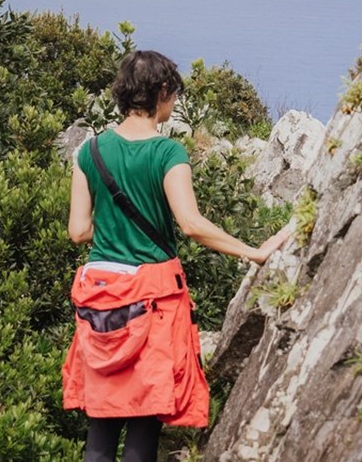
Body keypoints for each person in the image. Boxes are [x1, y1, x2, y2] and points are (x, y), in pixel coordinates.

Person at [61, 50, 294, 462]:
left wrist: (116, 227)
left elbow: (78, 230)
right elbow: (191, 223)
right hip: (151, 303)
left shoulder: (90, 152)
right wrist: (253, 252)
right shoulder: (168, 153)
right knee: (143, 420)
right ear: (162, 92)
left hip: (99, 304)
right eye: (173, 95)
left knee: (101, 424)